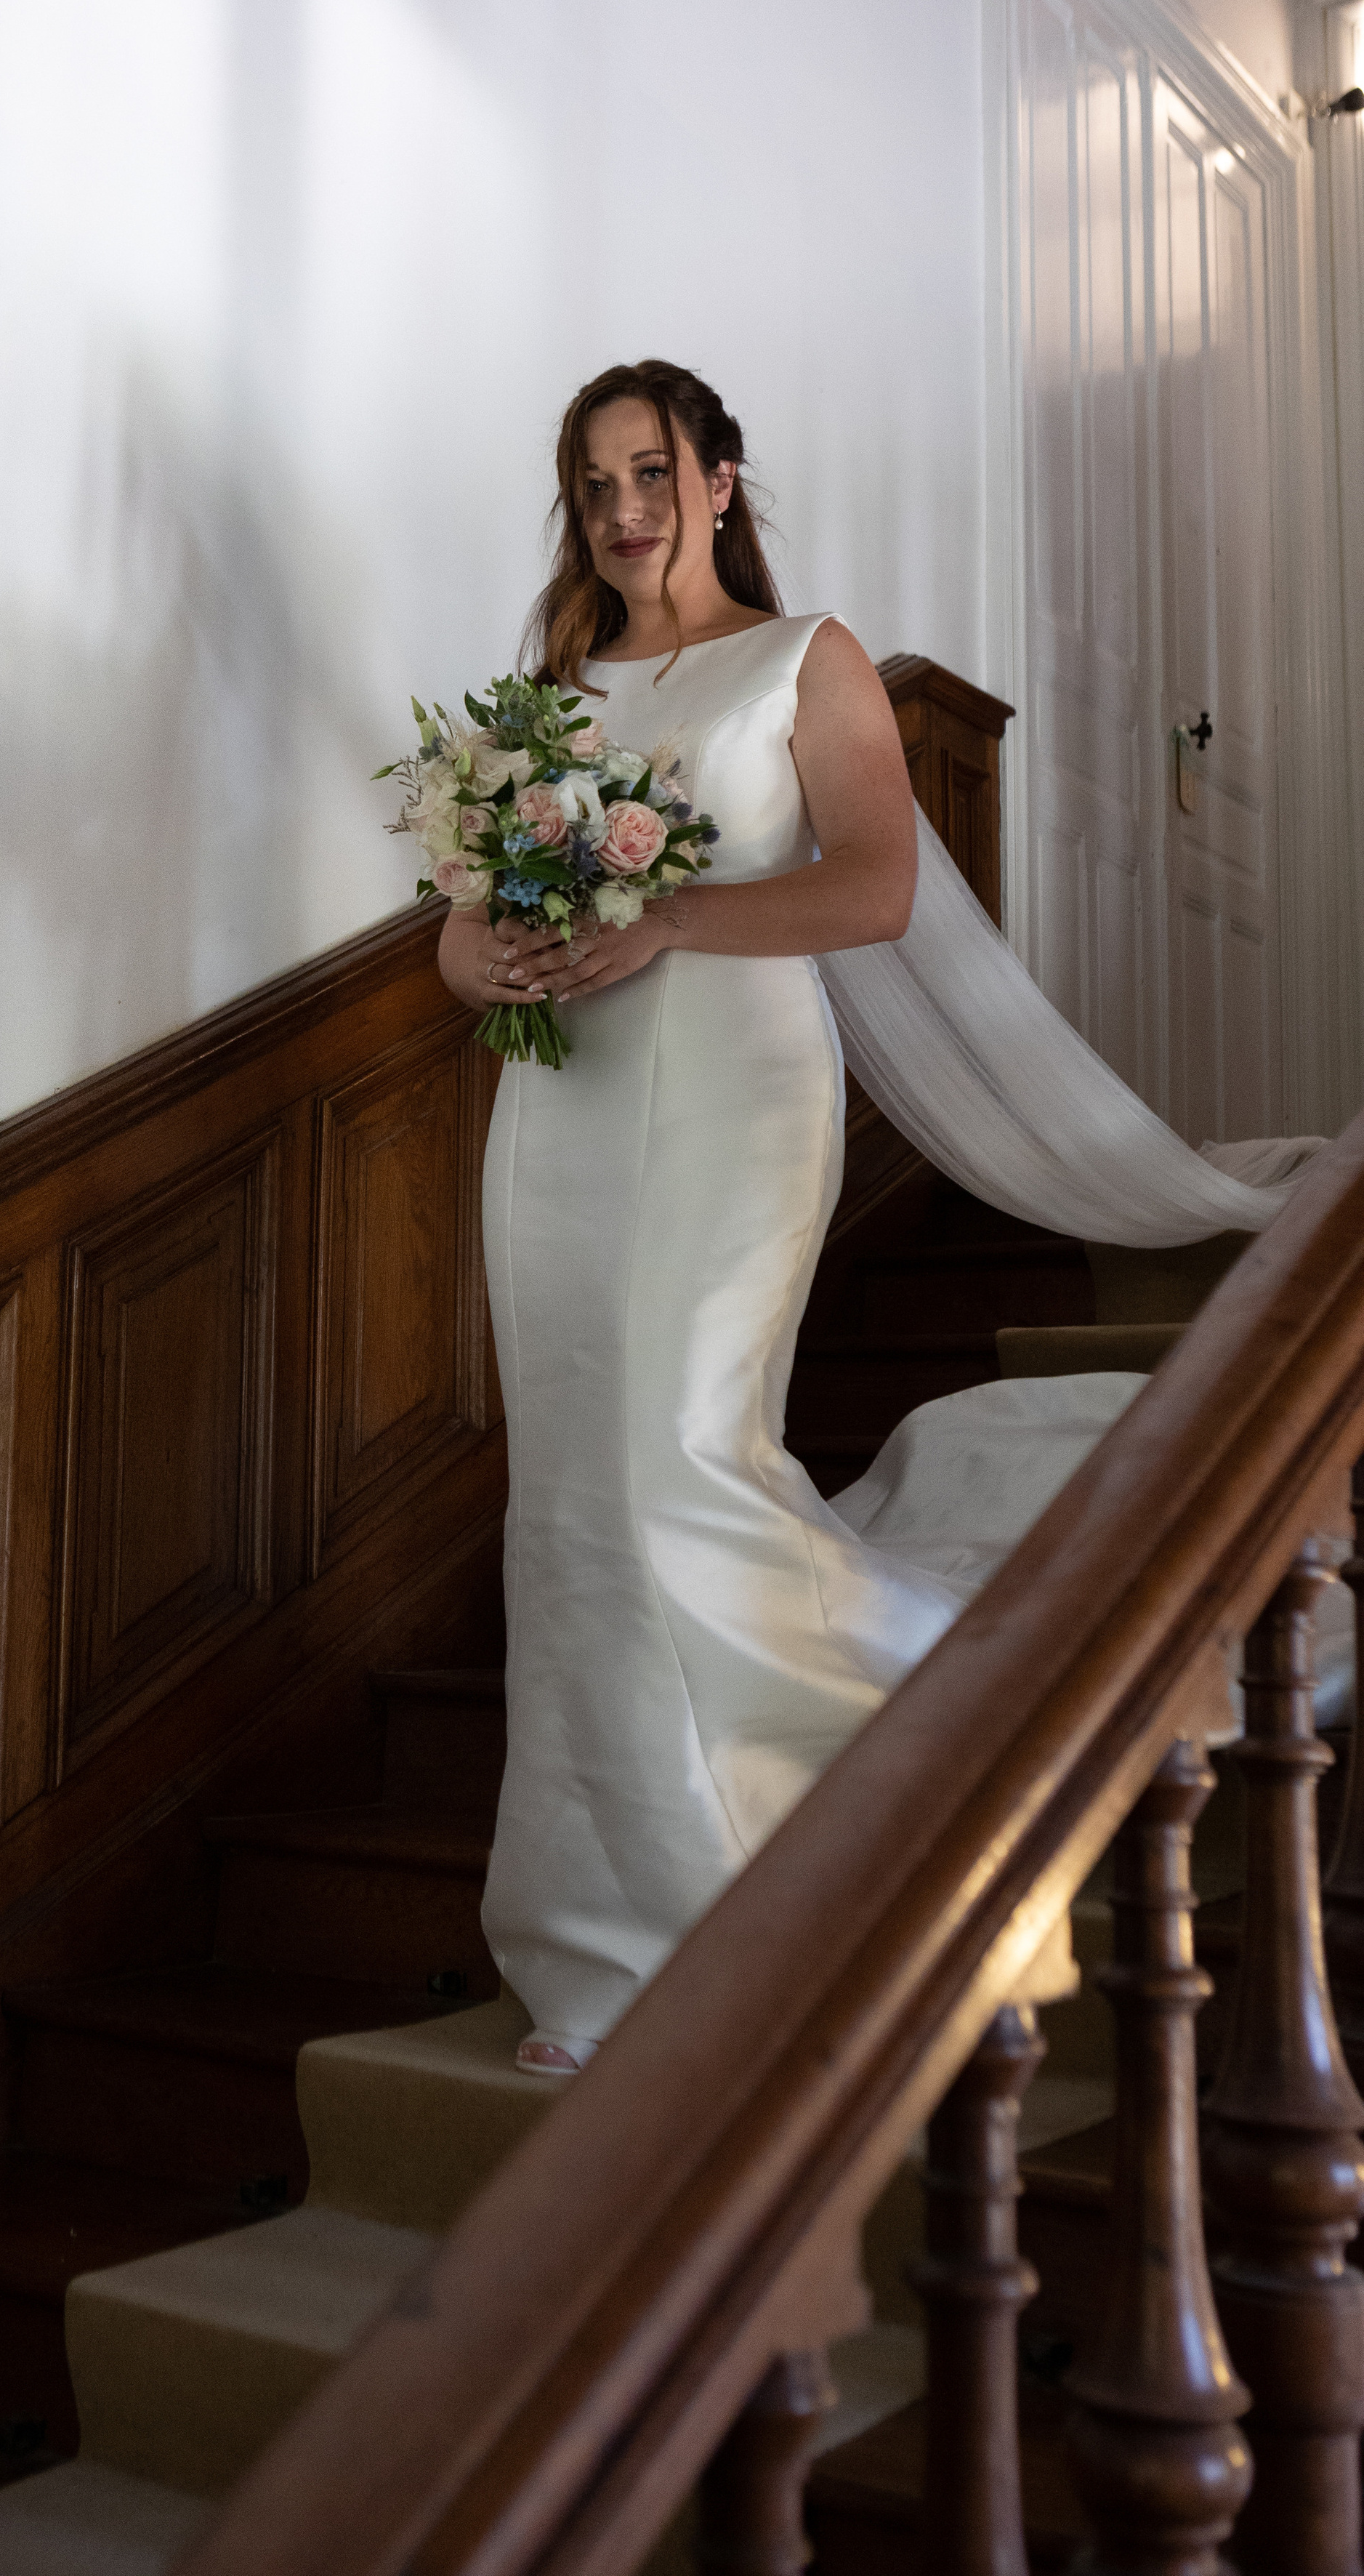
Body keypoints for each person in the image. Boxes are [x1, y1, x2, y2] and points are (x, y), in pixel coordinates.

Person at [437, 359, 972, 2076]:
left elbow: (873, 885)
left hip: (739, 1094)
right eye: (593, 482)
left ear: (720, 479)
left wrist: (667, 924)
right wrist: (492, 955)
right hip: (563, 1109)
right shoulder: (552, 697)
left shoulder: (799, 658)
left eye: (651, 471)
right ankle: (605, 1937)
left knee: (679, 1448)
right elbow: (454, 930)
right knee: (577, 1493)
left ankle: (861, 1813)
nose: (622, 508)